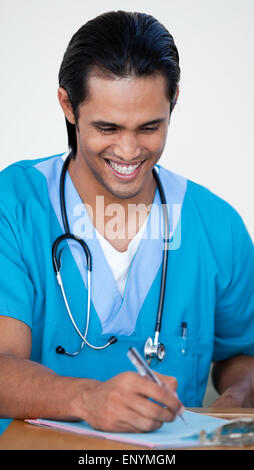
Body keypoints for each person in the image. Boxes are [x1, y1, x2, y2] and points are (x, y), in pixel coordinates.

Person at [0, 10, 254, 436]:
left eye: (150, 126)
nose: (129, 150)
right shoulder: (14, 205)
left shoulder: (216, 225)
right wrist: (87, 398)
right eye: (107, 127)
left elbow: (243, 354)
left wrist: (234, 403)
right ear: (68, 105)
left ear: (173, 102)